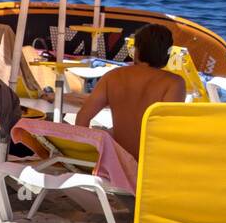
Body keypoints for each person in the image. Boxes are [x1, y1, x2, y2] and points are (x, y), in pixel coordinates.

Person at [72, 23, 185, 159]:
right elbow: (169, 131)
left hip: (118, 162)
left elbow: (82, 117)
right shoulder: (174, 83)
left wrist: (85, 156)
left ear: (137, 50)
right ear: (166, 53)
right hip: (150, 164)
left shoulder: (113, 76)